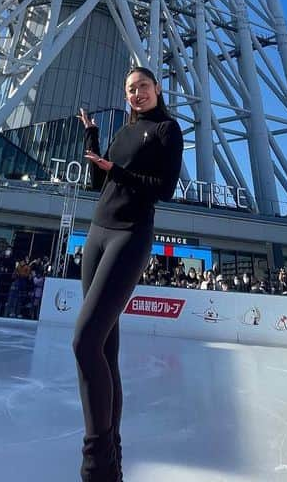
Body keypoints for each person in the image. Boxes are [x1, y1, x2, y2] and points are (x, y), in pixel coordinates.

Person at [74, 67, 184, 482]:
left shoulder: (166, 131)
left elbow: (164, 188)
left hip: (129, 235)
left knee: (84, 342)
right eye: (130, 90)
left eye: (142, 87)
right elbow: (98, 182)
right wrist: (92, 137)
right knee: (105, 351)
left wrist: (115, 170)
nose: (136, 94)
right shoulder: (124, 131)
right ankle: (113, 461)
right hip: (97, 233)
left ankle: (96, 468)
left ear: (157, 89)